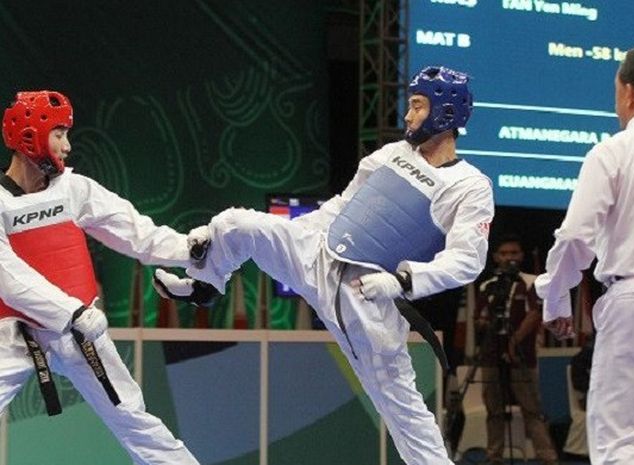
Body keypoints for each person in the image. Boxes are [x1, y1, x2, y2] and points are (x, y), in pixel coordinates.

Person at [154, 66, 494, 465]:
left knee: (405, 415)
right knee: (236, 223)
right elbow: (341, 208)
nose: (407, 115)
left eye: (417, 106)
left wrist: (402, 281)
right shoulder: (390, 154)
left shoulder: (469, 186)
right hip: (318, 255)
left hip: (367, 299)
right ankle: (205, 286)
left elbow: (468, 260)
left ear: (446, 115)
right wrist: (293, 236)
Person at [0, 91, 202, 464]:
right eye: (58, 134)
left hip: (79, 333)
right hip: (17, 332)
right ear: (30, 135)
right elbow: (7, 275)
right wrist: (72, 311)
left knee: (134, 420)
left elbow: (135, 231)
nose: (67, 145)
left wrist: (190, 249)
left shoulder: (75, 189)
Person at [535, 45, 634, 464]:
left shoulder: (614, 150)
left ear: (628, 93)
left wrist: (555, 296)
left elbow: (575, 236)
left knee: (623, 443)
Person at [474, 234, 558, 465]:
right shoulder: (487, 286)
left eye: (513, 253)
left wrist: (514, 341)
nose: (509, 257)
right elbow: (479, 319)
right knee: (494, 410)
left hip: (522, 357)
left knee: (532, 410)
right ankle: (494, 457)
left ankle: (547, 457)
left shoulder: (532, 282)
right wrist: (485, 324)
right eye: (504, 253)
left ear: (520, 256)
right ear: (495, 257)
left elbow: (535, 314)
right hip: (491, 355)